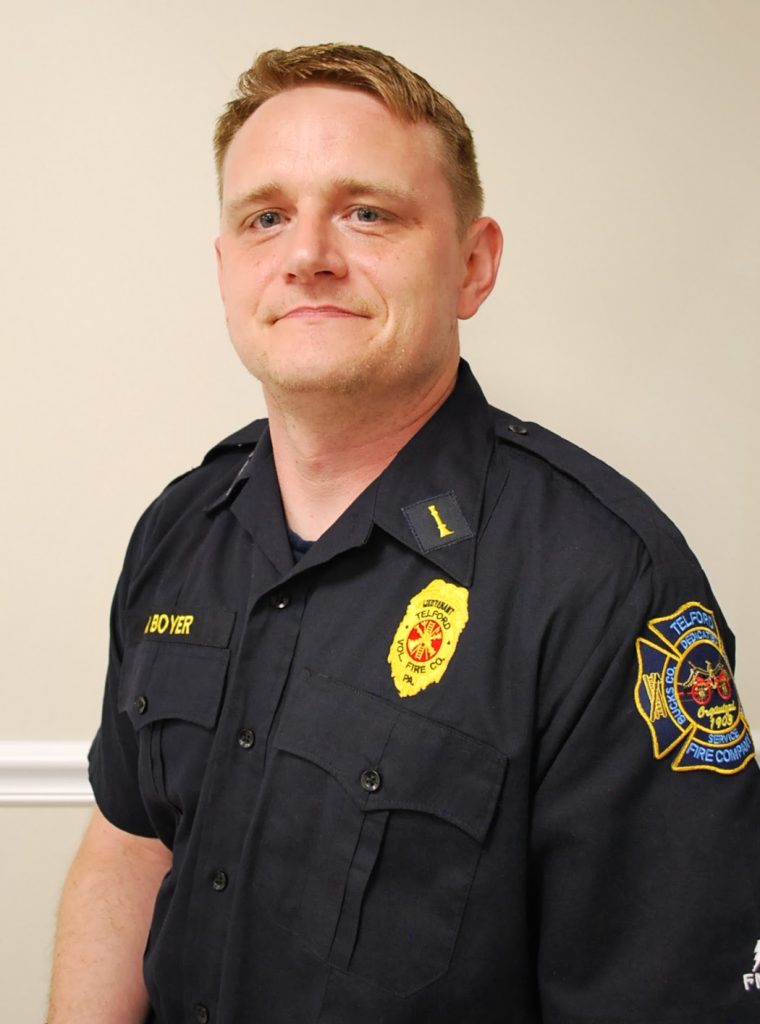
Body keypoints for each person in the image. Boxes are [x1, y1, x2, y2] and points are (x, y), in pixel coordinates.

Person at [48, 43, 760, 1024]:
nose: (305, 254)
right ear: (226, 270)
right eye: (265, 217)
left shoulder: (604, 585)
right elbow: (130, 842)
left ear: (473, 264)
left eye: (367, 211)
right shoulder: (179, 530)